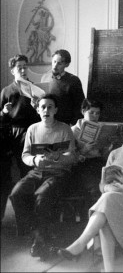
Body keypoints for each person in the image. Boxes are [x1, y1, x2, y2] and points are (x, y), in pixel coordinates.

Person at [57, 115, 123, 272]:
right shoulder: (114, 154)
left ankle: (81, 244)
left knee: (106, 203)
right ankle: (109, 270)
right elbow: (103, 185)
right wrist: (107, 188)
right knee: (106, 215)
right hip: (112, 202)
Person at [9, 94, 78, 259]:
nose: (46, 110)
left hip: (58, 172)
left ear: (55, 110)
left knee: (42, 196)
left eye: (50, 107)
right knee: (16, 193)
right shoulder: (33, 129)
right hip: (36, 171)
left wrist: (59, 157)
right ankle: (36, 234)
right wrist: (34, 159)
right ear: (38, 110)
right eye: (43, 107)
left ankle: (40, 239)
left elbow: (72, 156)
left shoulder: (64, 129)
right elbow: (25, 155)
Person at [0, 54, 40, 178]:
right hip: (17, 132)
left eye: (25, 67)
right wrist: (5, 112)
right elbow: (1, 118)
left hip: (35, 130)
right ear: (12, 71)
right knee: (23, 165)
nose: (23, 70)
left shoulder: (35, 89)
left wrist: (37, 108)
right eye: (19, 68)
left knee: (36, 165)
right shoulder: (6, 91)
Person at [71, 98, 115, 206]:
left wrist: (110, 145)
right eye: (91, 113)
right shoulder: (73, 131)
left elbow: (103, 154)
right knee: (96, 188)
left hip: (99, 163)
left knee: (113, 184)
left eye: (97, 113)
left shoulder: (101, 128)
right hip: (82, 165)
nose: (95, 116)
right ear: (83, 112)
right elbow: (71, 158)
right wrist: (85, 149)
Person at [41, 49, 85, 125]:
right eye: (54, 62)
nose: (55, 66)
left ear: (67, 64)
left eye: (59, 63)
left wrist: (73, 125)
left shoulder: (74, 80)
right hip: (48, 122)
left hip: (66, 123)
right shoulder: (45, 77)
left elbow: (80, 105)